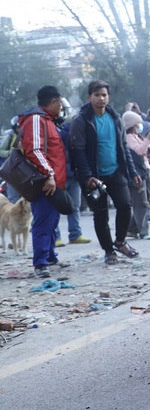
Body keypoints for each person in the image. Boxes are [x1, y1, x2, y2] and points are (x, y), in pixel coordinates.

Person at [70, 80, 141, 265]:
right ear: (89, 97)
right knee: (101, 215)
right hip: (94, 177)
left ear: (108, 97)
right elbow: (78, 151)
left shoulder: (115, 117)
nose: (101, 98)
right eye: (97, 95)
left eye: (104, 95)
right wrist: (87, 177)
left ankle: (120, 242)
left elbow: (124, 147)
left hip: (116, 172)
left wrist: (132, 171)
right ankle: (109, 251)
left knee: (125, 206)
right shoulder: (82, 120)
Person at [19, 86, 66, 278]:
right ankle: (40, 263)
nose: (61, 107)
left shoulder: (48, 121)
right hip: (45, 182)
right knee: (43, 222)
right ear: (53, 102)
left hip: (55, 181)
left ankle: (50, 256)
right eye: (60, 103)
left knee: (52, 221)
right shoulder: (36, 120)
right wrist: (49, 175)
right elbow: (35, 150)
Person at [55, 99, 92, 246]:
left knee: (74, 206)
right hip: (59, 175)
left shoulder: (70, 128)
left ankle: (75, 234)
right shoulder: (56, 129)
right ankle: (56, 236)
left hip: (73, 173)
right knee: (56, 208)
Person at [123, 111, 150, 240]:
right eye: (138, 123)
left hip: (145, 170)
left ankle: (131, 229)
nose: (140, 125)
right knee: (141, 202)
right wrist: (148, 138)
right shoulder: (128, 138)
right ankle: (144, 231)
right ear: (133, 124)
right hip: (136, 174)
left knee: (147, 200)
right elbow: (139, 151)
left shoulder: (138, 137)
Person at [0, 116, 23, 203]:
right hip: (12, 171)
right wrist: (11, 153)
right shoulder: (10, 137)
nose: (20, 129)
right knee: (13, 198)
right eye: (18, 128)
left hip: (27, 171)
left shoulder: (30, 136)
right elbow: (1, 151)